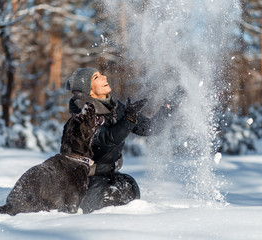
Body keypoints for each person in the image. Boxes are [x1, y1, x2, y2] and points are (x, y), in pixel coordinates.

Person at [65, 67, 182, 213]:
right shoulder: (82, 117)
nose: (104, 77)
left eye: (101, 74)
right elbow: (109, 138)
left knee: (130, 188)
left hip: (109, 173)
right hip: (85, 179)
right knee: (92, 210)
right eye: (96, 78)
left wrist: (169, 107)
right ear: (89, 91)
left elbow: (149, 128)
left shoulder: (116, 107)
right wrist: (129, 119)